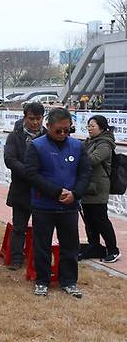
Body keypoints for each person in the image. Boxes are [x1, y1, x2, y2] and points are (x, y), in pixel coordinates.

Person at [25, 108, 92, 298]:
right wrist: (55, 192)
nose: (63, 134)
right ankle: (42, 281)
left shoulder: (78, 146)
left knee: (70, 246)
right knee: (42, 246)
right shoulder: (37, 146)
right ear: (48, 127)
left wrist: (76, 193)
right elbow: (32, 174)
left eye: (67, 130)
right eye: (58, 131)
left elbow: (85, 172)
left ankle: (69, 281)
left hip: (69, 206)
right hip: (43, 205)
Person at [4, 103, 46, 270]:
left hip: (43, 190)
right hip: (21, 188)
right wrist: (30, 173)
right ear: (24, 117)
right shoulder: (15, 136)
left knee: (41, 227)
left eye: (38, 119)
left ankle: (38, 257)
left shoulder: (48, 135)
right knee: (19, 226)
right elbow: (10, 160)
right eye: (31, 119)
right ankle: (16, 259)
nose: (35, 122)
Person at [81, 115, 120, 263]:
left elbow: (93, 159)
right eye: (89, 126)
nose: (90, 128)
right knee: (89, 220)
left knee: (101, 219)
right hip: (87, 187)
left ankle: (113, 249)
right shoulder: (88, 142)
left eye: (93, 126)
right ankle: (94, 247)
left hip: (98, 188)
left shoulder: (105, 143)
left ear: (102, 127)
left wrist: (76, 158)